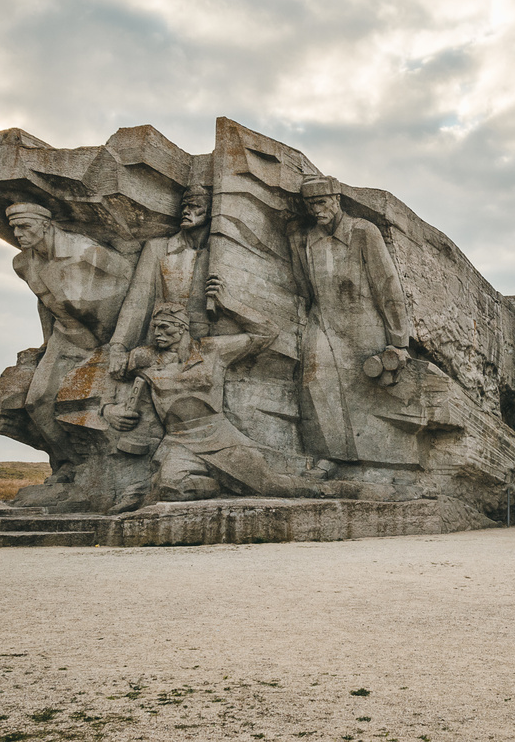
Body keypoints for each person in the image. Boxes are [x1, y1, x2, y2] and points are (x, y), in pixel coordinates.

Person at [105, 282, 335, 502]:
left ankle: (334, 489)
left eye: (164, 326)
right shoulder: (144, 357)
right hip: (179, 442)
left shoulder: (212, 350)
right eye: (155, 327)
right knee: (172, 489)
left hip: (221, 438)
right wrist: (108, 409)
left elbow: (268, 332)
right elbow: (109, 373)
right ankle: (217, 484)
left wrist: (229, 304)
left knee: (270, 486)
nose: (157, 332)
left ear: (183, 327)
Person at [7, 202, 133, 480]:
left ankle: (110, 468)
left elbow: (132, 283)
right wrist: (46, 343)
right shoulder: (23, 263)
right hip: (66, 335)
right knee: (38, 402)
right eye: (14, 227)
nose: (17, 233)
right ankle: (72, 466)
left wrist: (122, 341)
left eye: (24, 226)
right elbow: (44, 302)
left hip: (108, 338)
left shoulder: (86, 252)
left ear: (46, 224)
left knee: (93, 403)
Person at [289, 176, 411, 461]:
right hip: (323, 321)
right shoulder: (306, 239)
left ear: (336, 200)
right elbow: (303, 289)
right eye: (310, 205)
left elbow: (388, 286)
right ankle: (328, 459)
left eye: (321, 202)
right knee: (314, 383)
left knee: (363, 393)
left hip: (363, 324)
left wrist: (398, 341)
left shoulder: (363, 232)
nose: (316, 210)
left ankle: (370, 462)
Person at [109, 184, 214, 377]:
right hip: (161, 348)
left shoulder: (219, 257)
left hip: (203, 353)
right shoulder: (157, 249)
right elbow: (137, 301)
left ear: (211, 211)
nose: (185, 211)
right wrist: (118, 347)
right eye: (184, 206)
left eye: (194, 207)